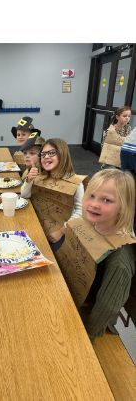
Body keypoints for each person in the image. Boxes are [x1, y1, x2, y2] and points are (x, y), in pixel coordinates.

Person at [75, 169, 135, 338]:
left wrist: (87, 338)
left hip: (87, 320)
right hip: (75, 297)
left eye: (106, 200)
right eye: (92, 195)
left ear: (123, 207)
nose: (94, 204)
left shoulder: (119, 261)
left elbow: (106, 309)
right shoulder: (91, 226)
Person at [21, 137, 85, 245]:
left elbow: (81, 211)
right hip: (36, 225)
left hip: (59, 234)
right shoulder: (40, 176)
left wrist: (61, 231)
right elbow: (24, 195)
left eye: (51, 153)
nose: (46, 157)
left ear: (62, 154)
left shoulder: (75, 183)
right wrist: (28, 181)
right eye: (43, 154)